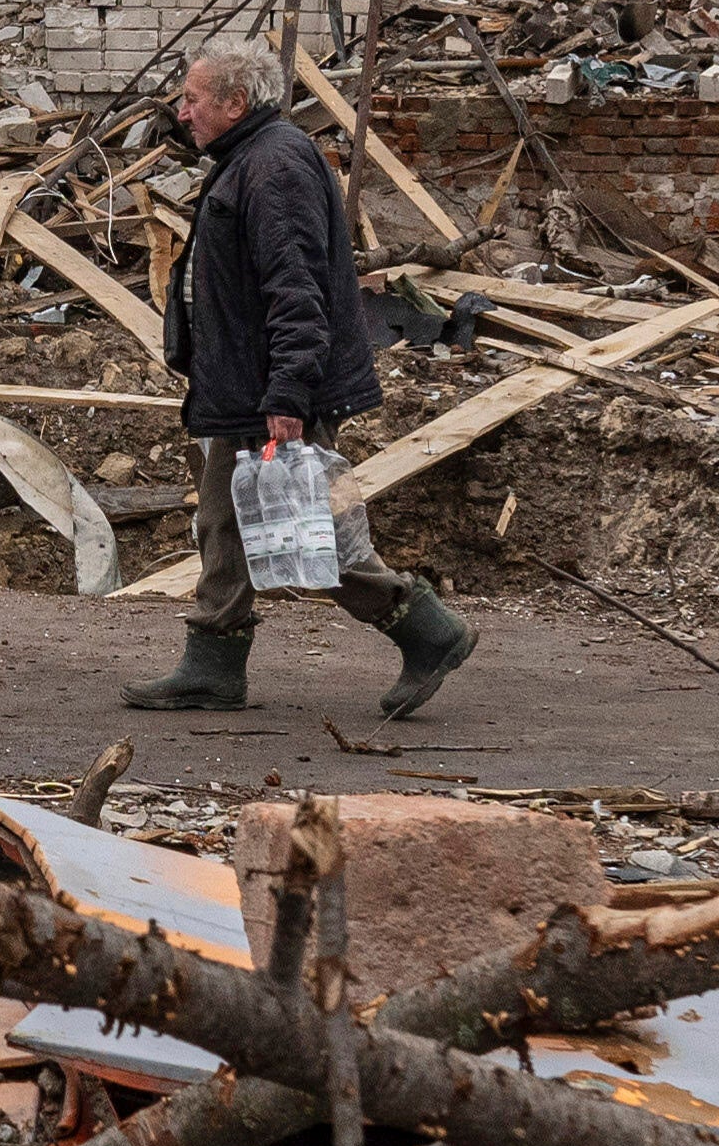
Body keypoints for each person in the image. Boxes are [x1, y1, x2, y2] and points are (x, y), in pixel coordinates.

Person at [131, 37, 481, 719]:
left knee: (298, 530)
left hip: (273, 390)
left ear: (235, 103)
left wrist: (287, 392)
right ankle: (211, 666)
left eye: (193, 99)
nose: (183, 111)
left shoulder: (274, 167)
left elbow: (296, 290)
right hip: (245, 385)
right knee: (226, 525)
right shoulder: (249, 158)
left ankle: (427, 629)